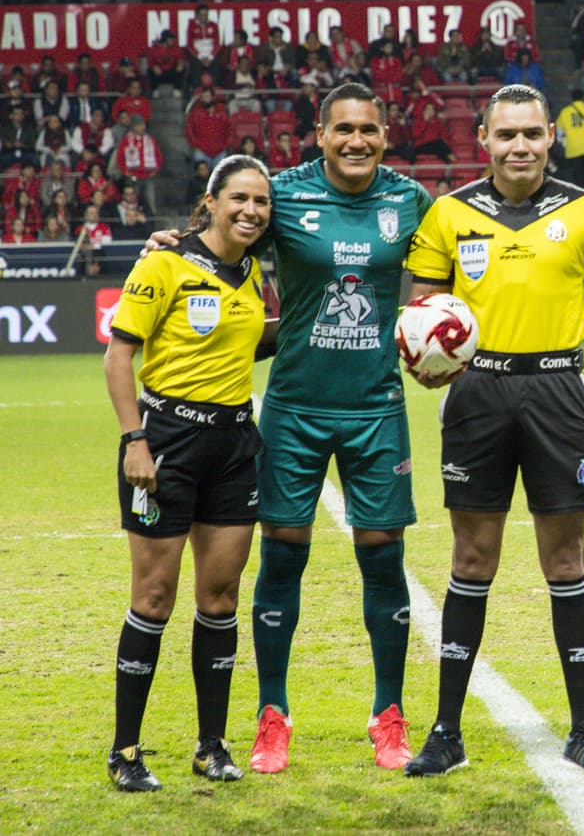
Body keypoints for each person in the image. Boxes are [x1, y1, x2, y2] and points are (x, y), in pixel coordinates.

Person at [146, 83, 434, 776]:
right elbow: (227, 232)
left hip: (376, 407)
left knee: (382, 554)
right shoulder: (286, 195)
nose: (356, 140)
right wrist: (176, 243)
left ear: (385, 132)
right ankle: (271, 714)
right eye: (343, 129)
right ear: (320, 131)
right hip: (295, 408)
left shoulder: (411, 202)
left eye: (368, 128)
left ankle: (388, 713)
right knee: (281, 552)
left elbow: (442, 281)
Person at [402, 83, 584, 776]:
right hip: (476, 393)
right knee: (471, 559)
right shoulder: (449, 215)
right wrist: (424, 354)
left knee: (566, 561)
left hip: (557, 390)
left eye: (532, 134)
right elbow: (422, 307)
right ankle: (446, 730)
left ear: (550, 138)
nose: (519, 146)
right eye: (506, 135)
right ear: (484, 138)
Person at [104, 155, 273, 791]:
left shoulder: (256, 271)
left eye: (261, 201)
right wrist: (134, 440)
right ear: (211, 200)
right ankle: (125, 751)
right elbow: (119, 357)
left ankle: (210, 745)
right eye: (239, 198)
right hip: (166, 443)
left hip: (232, 445)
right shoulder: (163, 262)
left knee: (221, 598)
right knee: (153, 598)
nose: (251, 210)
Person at [554, 87, 584, 191]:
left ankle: (577, 191)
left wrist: (563, 142)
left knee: (576, 173)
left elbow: (559, 132)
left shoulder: (564, 112)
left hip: (573, 148)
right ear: (583, 98)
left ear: (572, 98)